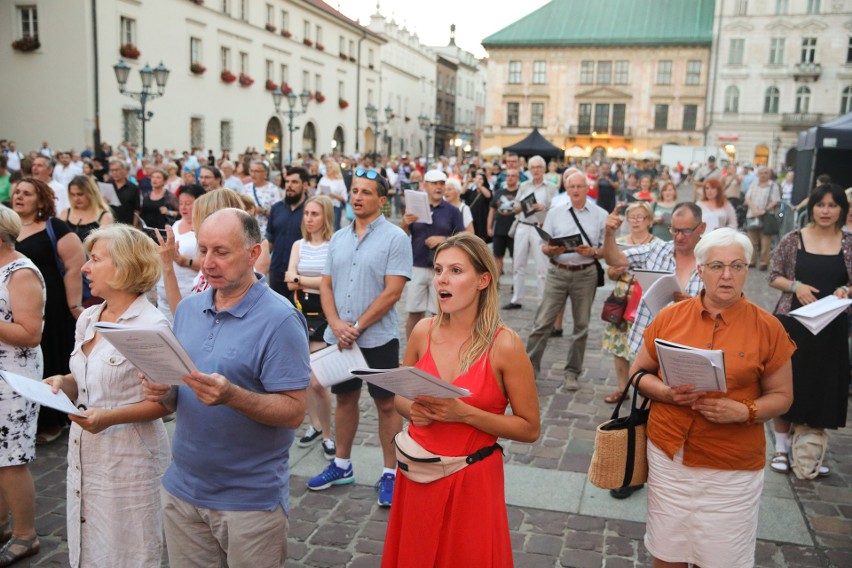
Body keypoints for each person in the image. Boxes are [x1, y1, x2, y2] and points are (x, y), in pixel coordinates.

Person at [143, 208, 310, 567]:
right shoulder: (187, 310)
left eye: (221, 252)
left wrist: (232, 396)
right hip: (182, 491)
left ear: (253, 254)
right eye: (203, 250)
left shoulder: (280, 319)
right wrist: (165, 391)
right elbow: (182, 396)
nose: (206, 263)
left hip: (248, 501)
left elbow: (294, 412)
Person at [632, 228, 795, 568]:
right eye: (717, 265)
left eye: (737, 265)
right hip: (669, 457)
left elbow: (782, 398)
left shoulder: (768, 328)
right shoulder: (670, 317)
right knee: (667, 553)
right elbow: (638, 374)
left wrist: (745, 410)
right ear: (700, 270)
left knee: (723, 559)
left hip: (730, 467)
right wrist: (665, 392)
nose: (727, 275)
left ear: (747, 270)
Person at [381, 233, 540, 567]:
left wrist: (464, 414)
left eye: (455, 270)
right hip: (417, 476)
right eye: (439, 269)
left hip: (472, 483)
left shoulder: (505, 345)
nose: (442, 278)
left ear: (483, 280)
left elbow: (528, 428)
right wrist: (415, 410)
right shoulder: (422, 331)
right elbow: (399, 399)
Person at [45, 225, 171, 567]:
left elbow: (164, 402)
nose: (85, 267)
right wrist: (62, 382)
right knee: (88, 544)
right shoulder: (89, 316)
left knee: (129, 550)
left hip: (129, 457)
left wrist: (107, 417)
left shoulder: (151, 324)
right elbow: (84, 376)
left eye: (95, 259)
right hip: (85, 451)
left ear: (125, 266)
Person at [306, 168, 412, 508]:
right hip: (340, 338)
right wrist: (336, 323)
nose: (357, 197)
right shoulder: (338, 237)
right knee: (345, 400)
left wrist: (358, 326)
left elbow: (393, 291)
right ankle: (341, 464)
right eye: (354, 190)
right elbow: (326, 284)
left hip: (377, 338)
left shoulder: (395, 238)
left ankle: (390, 473)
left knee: (386, 405)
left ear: (382, 200)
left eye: (366, 192)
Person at [767, 184, 851, 476]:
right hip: (794, 324)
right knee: (787, 383)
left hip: (832, 327)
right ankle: (780, 446)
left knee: (821, 385)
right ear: (811, 207)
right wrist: (796, 286)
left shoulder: (849, 242)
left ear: (842, 209)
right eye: (820, 205)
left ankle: (810, 447)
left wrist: (846, 288)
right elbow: (773, 274)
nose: (826, 211)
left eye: (832, 205)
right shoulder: (794, 239)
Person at [13, 178, 87, 445]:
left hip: (51, 304)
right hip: (13, 304)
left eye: (27, 193)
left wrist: (74, 304)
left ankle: (52, 419)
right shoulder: (8, 228)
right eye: (17, 192)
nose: (19, 197)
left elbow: (74, 264)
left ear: (41, 200)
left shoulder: (54, 227)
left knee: (50, 356)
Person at [525, 172, 608, 391]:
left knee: (581, 326)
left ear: (587, 187)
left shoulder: (600, 214)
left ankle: (572, 372)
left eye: (580, 186)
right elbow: (545, 246)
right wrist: (550, 249)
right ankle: (528, 371)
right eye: (572, 187)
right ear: (566, 188)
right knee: (542, 323)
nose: (576, 190)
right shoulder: (555, 213)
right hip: (558, 271)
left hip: (585, 272)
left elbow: (606, 250)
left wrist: (594, 251)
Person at [0, 206, 45, 567]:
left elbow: (30, 334)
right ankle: (1, 522)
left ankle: (25, 534)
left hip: (13, 376)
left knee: (11, 459)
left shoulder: (21, 271)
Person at [603, 203, 706, 359]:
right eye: (674, 230)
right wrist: (609, 233)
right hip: (648, 344)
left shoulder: (713, 260)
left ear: (701, 228)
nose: (679, 237)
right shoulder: (656, 250)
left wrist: (695, 304)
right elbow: (614, 259)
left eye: (686, 231)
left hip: (687, 346)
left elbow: (726, 306)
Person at [285, 195, 336, 460]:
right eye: (306, 213)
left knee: (319, 381)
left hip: (324, 312)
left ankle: (328, 434)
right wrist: (309, 281)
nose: (309, 218)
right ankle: (314, 425)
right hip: (301, 310)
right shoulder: (299, 245)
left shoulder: (333, 245)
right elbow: (288, 281)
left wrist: (303, 279)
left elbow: (330, 282)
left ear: (325, 216)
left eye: (315, 214)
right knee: (304, 375)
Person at [602, 202, 660, 407]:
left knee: (644, 347)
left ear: (649, 221)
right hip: (622, 296)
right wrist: (614, 271)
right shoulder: (618, 242)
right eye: (632, 217)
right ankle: (622, 388)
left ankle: (644, 390)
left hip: (645, 299)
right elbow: (609, 272)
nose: (635, 221)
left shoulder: (657, 245)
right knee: (619, 345)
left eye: (640, 217)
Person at [401, 169, 464, 338]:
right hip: (418, 265)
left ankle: (437, 353)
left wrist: (443, 239)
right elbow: (401, 236)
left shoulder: (453, 211)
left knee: (440, 314)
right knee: (414, 312)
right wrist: (404, 224)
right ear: (425, 186)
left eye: (442, 183)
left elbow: (463, 238)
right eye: (434, 183)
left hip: (444, 269)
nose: (439, 187)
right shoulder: (413, 207)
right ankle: (412, 353)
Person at [504, 155, 555, 310]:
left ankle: (541, 301)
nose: (536, 170)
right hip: (522, 225)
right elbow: (516, 205)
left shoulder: (551, 187)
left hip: (539, 227)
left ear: (544, 169)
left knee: (542, 267)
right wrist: (519, 207)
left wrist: (543, 208)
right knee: (518, 264)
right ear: (529, 169)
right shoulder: (525, 185)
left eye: (539, 167)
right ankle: (516, 298)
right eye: (533, 167)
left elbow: (556, 210)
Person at [155, 184, 205, 320]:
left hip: (187, 295)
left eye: (188, 203)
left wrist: (184, 261)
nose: (183, 207)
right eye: (181, 203)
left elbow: (209, 264)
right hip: (163, 298)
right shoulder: (176, 224)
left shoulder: (204, 228)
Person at [266, 166, 308, 301]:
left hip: (301, 273)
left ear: (305, 185)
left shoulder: (311, 210)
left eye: (294, 182)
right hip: (277, 270)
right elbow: (270, 240)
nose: (289, 185)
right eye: (287, 181)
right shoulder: (276, 208)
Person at [744, 166, 780, 270]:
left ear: (769, 174)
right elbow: (747, 197)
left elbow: (775, 200)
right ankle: (752, 261)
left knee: (765, 241)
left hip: (766, 216)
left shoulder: (773, 185)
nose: (763, 175)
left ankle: (764, 262)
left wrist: (764, 210)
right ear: (758, 174)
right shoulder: (754, 184)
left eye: (765, 173)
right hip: (752, 215)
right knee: (752, 240)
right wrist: (754, 209)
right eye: (761, 173)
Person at [486, 168, 520, 277]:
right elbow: (491, 210)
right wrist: (489, 227)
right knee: (497, 256)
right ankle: (496, 282)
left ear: (517, 178)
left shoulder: (520, 193)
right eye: (508, 176)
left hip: (515, 230)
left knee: (515, 257)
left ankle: (516, 282)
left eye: (513, 176)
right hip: (499, 229)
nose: (510, 178)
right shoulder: (499, 192)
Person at [60, 175, 115, 241]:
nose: (76, 198)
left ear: (91, 193)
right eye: (73, 194)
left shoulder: (105, 216)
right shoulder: (66, 213)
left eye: (80, 194)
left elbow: (103, 243)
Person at [240, 160, 281, 235]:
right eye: (251, 171)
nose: (253, 174)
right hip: (248, 232)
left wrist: (262, 210)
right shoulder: (245, 188)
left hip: (265, 233)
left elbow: (277, 215)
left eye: (257, 171)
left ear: (265, 173)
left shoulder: (273, 189)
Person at [316, 161, 347, 231]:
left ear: (335, 169)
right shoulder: (323, 179)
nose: (327, 169)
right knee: (322, 227)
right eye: (326, 168)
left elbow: (344, 198)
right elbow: (316, 194)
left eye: (329, 168)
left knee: (335, 227)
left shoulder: (339, 181)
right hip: (323, 206)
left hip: (335, 207)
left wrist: (333, 195)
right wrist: (321, 193)